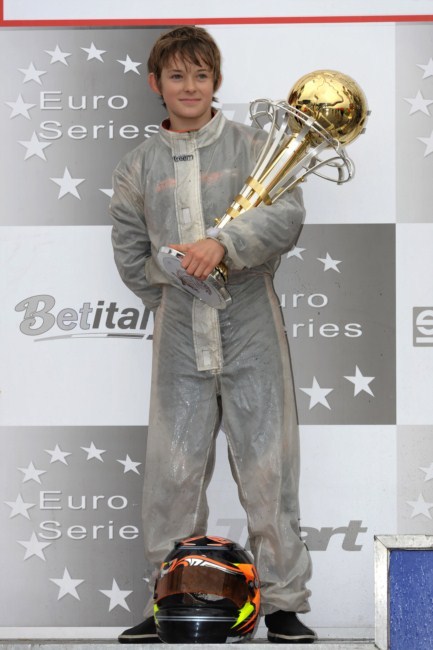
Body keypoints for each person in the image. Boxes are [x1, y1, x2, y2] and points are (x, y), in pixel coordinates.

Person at [110, 25, 315, 644]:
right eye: (177, 75)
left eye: (201, 75)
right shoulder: (138, 166)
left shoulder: (254, 146)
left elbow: (286, 216)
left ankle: (282, 604)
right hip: (179, 331)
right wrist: (175, 290)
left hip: (251, 323)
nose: (190, 86)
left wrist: (224, 245)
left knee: (269, 470)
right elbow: (130, 252)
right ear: (156, 84)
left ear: (216, 81)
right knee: (171, 475)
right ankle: (168, 597)